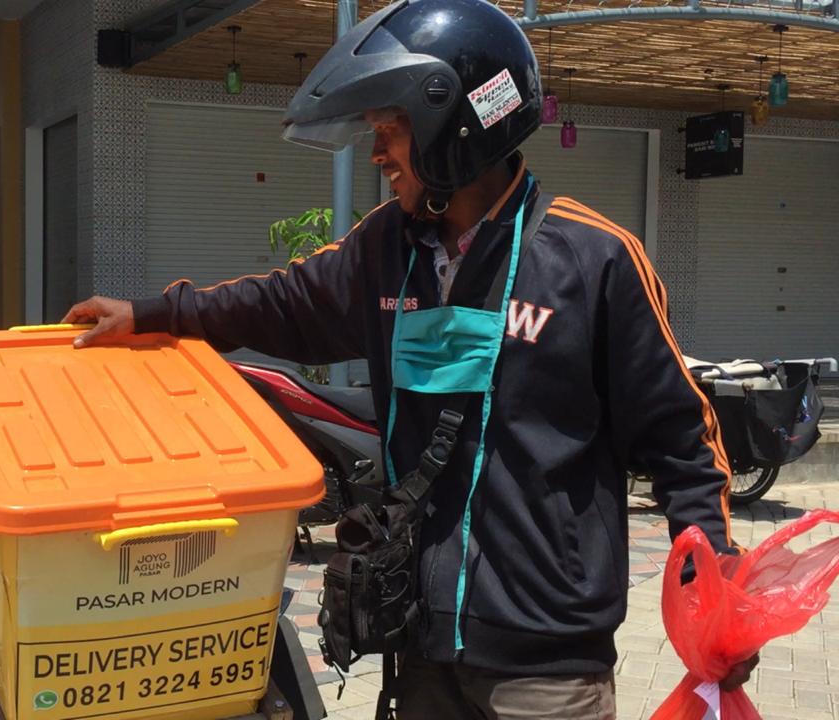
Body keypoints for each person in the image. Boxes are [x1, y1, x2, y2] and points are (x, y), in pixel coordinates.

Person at [64, 0, 757, 716]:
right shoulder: (384, 250)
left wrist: (713, 587)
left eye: (389, 131)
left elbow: (683, 445)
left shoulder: (595, 259)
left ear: (451, 126)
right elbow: (279, 302)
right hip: (419, 645)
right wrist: (152, 315)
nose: (377, 154)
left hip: (547, 668)